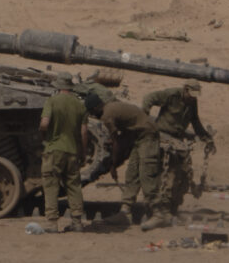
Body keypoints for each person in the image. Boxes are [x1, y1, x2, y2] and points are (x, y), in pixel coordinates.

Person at [85, 93, 170, 231]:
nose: (93, 115)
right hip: (137, 136)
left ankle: (158, 213)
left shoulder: (107, 115)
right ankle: (125, 212)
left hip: (147, 135)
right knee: (132, 173)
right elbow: (124, 133)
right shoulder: (110, 107)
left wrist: (113, 165)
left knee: (146, 174)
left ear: (95, 108)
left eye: (91, 112)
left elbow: (116, 143)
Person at [142, 81, 215, 215]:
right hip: (162, 137)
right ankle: (157, 208)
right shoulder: (171, 95)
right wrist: (145, 119)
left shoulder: (192, 101)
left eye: (196, 95)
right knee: (165, 175)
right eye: (191, 94)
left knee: (182, 176)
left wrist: (206, 138)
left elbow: (195, 121)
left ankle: (173, 208)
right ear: (185, 90)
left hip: (178, 140)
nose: (193, 98)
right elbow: (149, 98)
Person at [39, 73, 88, 233]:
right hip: (73, 151)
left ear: (58, 86)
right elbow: (84, 132)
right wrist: (83, 152)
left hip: (54, 149)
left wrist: (43, 135)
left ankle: (52, 223)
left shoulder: (52, 101)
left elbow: (44, 123)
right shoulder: (80, 105)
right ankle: (77, 222)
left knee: (51, 184)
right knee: (74, 185)